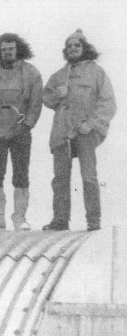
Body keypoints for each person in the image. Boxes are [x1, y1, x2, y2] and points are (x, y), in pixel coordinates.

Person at [42, 29, 116, 232]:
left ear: (84, 48)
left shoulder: (96, 72)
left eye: (77, 45)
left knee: (89, 176)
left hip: (85, 132)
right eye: (69, 46)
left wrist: (91, 124)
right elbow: (45, 97)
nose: (72, 48)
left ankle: (93, 221)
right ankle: (60, 220)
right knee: (60, 179)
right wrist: (57, 95)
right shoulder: (59, 75)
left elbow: (108, 103)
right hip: (62, 133)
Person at [0, 33, 43, 231]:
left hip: (20, 131)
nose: (7, 52)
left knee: (21, 174)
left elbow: (36, 103)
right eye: (4, 49)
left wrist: (27, 125)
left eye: (11, 49)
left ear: (18, 49)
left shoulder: (31, 72)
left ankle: (19, 217)